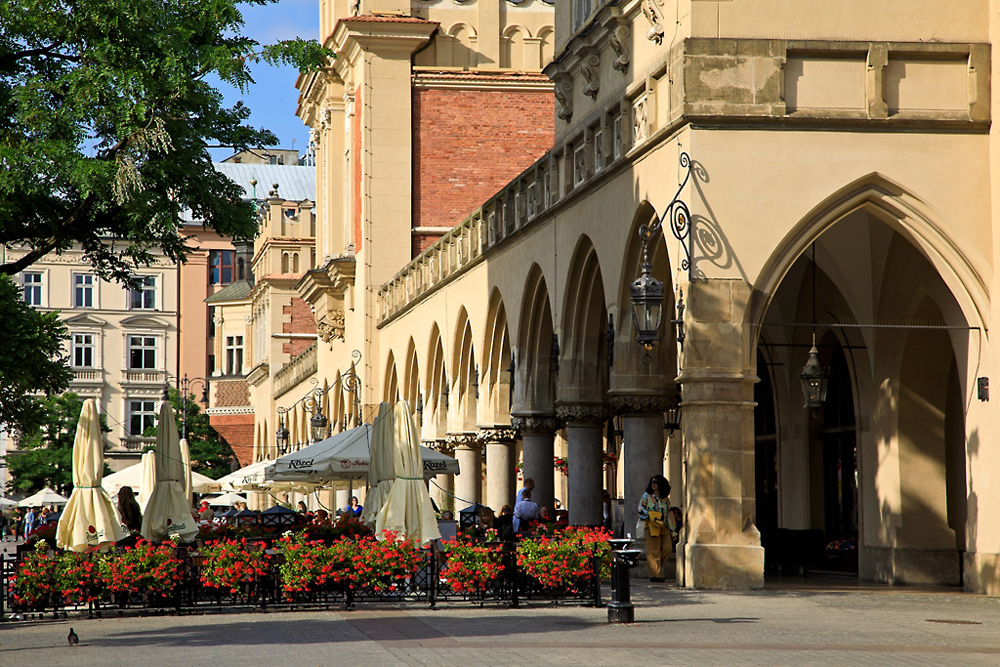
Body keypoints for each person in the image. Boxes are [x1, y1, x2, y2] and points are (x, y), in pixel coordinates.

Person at [638, 474, 675, 582]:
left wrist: (673, 532)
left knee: (667, 548)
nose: (653, 484)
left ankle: (656, 568)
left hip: (663, 526)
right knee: (653, 551)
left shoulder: (665, 499)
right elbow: (640, 510)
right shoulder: (647, 496)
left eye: (656, 483)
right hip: (651, 525)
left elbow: (669, 515)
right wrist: (651, 515)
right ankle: (654, 574)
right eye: (652, 482)